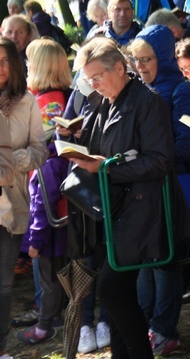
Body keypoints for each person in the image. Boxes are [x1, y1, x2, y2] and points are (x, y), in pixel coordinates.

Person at [68, 37, 179, 358]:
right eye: (89, 80)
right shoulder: (101, 102)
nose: (94, 84)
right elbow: (95, 151)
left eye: (98, 77)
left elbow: (160, 160)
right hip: (110, 211)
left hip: (142, 211)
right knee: (119, 295)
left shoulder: (148, 102)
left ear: (120, 68)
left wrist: (108, 168)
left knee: (112, 291)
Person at [130, 25, 190, 356]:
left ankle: (164, 328)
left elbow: (188, 145)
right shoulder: (137, 91)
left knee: (165, 260)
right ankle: (146, 323)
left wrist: (151, 161)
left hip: (170, 186)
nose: (140, 66)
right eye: (135, 60)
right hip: (143, 190)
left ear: (162, 56)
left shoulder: (182, 92)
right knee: (146, 259)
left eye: (147, 59)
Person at [15, 39, 71, 346]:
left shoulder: (51, 101)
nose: (25, 67)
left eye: (30, 61)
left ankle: (47, 318)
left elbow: (44, 145)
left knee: (48, 265)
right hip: (46, 195)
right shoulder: (48, 96)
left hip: (50, 200)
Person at [0, 37, 47, 353]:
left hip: (11, 203)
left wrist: (12, 160)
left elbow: (40, 151)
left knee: (3, 284)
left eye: (5, 60)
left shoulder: (25, 101)